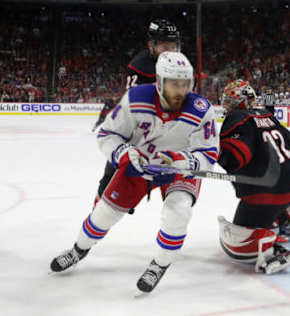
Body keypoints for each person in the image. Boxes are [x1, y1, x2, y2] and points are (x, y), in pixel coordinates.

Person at [50, 52, 219, 293]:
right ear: (159, 82)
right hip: (139, 164)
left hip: (177, 169)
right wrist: (125, 154)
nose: (180, 90)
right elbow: (107, 135)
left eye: (185, 84)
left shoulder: (202, 110)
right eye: (174, 83)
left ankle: (160, 264)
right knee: (103, 214)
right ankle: (79, 249)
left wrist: (182, 160)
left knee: (178, 211)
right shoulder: (136, 98)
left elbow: (208, 154)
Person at [216, 79, 290, 274]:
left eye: (230, 101)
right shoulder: (267, 114)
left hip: (266, 194)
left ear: (242, 101)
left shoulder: (237, 118)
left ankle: (267, 244)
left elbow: (237, 157)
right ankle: (284, 224)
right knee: (283, 184)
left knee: (240, 242)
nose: (227, 106)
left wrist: (214, 153)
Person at [93, 19, 181, 214]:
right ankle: (98, 211)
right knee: (113, 175)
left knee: (176, 188)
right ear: (152, 45)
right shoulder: (141, 66)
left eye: (174, 47)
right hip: (137, 131)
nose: (171, 52)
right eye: (166, 47)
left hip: (166, 132)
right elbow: (135, 108)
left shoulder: (179, 64)